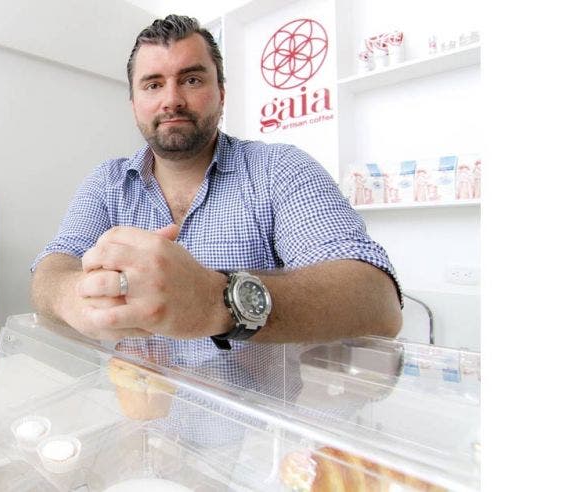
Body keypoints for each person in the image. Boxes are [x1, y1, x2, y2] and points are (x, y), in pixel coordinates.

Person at [30, 14, 401, 353]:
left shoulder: (280, 170)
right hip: (140, 421)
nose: (171, 100)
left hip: (255, 421)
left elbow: (377, 301)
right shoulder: (107, 183)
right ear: (133, 104)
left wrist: (216, 302)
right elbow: (52, 268)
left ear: (221, 94)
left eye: (191, 79)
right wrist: (72, 296)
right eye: (153, 85)